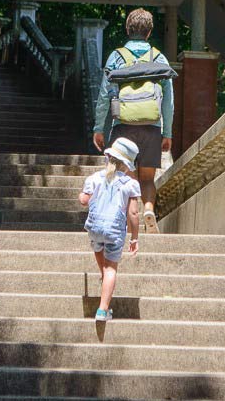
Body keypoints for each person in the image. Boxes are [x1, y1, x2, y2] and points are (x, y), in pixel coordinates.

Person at [92, 8, 174, 233]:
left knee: (125, 179)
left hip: (123, 126)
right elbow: (168, 100)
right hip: (151, 126)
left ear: (128, 30)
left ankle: (131, 221)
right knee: (147, 179)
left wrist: (99, 127)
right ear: (149, 32)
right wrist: (167, 133)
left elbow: (103, 95)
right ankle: (148, 208)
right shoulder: (159, 57)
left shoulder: (116, 57)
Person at [79, 137, 141, 322]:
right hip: (114, 231)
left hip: (95, 227)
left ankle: (103, 275)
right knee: (111, 268)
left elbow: (84, 200)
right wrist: (134, 238)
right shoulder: (130, 184)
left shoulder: (94, 178)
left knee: (98, 249)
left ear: (107, 157)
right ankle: (103, 310)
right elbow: (134, 213)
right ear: (127, 166)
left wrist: (81, 195)